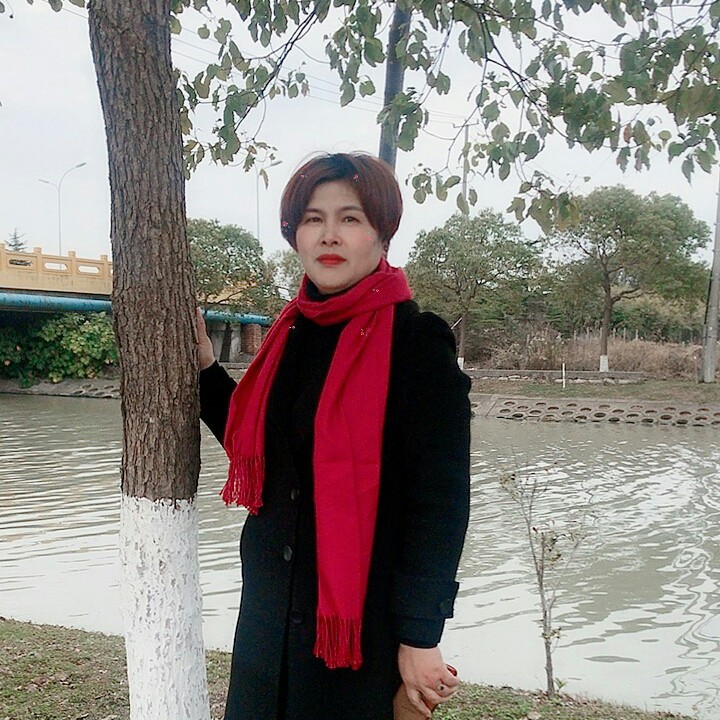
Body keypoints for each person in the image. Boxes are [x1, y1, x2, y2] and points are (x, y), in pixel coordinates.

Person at [196, 152, 471, 720]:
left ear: (382, 232)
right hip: (268, 623)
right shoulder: (289, 334)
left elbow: (440, 504)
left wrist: (421, 635)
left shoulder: (416, 343)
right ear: (294, 233)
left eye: (350, 218)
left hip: (357, 633)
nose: (329, 235)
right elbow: (267, 451)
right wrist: (205, 374)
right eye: (313, 218)